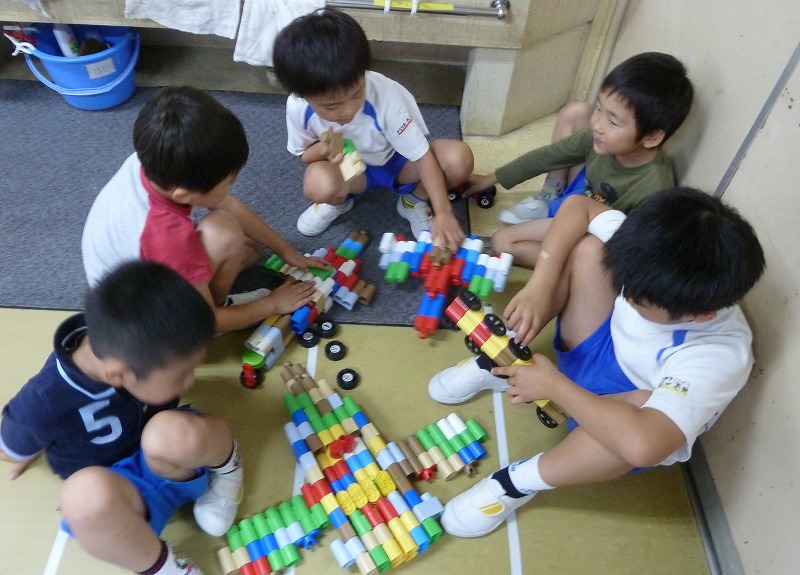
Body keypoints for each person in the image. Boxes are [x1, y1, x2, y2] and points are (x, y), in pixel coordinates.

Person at [427, 188, 765, 538]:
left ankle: (513, 484)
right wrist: (541, 284)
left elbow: (645, 447)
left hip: (614, 412)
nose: (625, 292)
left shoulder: (721, 353)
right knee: (590, 250)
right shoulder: (657, 248)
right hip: (595, 349)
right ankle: (508, 363)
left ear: (701, 314)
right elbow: (579, 207)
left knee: (643, 422)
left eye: (638, 299)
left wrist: (554, 386)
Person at [0, 261, 240, 575]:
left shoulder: (134, 342)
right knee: (81, 499)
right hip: (122, 499)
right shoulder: (43, 402)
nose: (190, 382)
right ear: (118, 376)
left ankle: (229, 470)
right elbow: (10, 445)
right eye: (181, 374)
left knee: (168, 433)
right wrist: (25, 446)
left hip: (171, 458)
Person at [82, 85, 328, 334]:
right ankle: (219, 306)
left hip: (132, 278)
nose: (234, 183)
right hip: (142, 321)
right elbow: (206, 322)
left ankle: (206, 292)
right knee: (225, 233)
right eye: (228, 182)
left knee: (249, 248)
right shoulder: (167, 236)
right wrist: (272, 304)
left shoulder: (155, 158)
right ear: (183, 195)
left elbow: (227, 204)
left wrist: (286, 251)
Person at [462, 52, 693, 267]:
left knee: (503, 243)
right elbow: (551, 155)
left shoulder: (654, 188)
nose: (597, 124)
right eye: (599, 108)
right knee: (577, 112)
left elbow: (625, 251)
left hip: (590, 231)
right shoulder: (601, 138)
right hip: (581, 194)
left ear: (651, 137)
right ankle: (550, 197)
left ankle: (567, 265)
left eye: (613, 122)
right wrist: (490, 179)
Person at [272, 8, 474, 252]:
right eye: (331, 106)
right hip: (353, 169)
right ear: (301, 95)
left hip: (398, 162)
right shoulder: (298, 107)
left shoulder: (386, 96)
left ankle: (413, 201)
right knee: (318, 183)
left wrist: (443, 212)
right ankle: (339, 202)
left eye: (357, 94)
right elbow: (303, 155)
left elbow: (421, 157)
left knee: (458, 159)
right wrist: (326, 147)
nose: (348, 111)